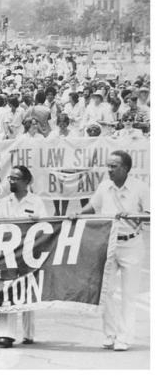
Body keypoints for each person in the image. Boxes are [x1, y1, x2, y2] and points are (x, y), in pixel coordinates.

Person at [78, 150, 149, 351]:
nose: (109, 169)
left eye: (114, 166)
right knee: (106, 292)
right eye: (108, 166)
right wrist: (76, 214)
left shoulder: (140, 188)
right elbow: (92, 206)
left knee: (129, 294)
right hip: (108, 243)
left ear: (125, 168)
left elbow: (151, 214)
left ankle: (124, 338)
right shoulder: (104, 186)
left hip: (132, 245)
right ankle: (110, 334)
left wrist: (133, 214)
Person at [0, 165, 47, 348]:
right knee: (8, 291)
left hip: (29, 252)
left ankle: (28, 333)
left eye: (15, 178)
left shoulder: (36, 202)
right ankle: (5, 335)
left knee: (28, 291)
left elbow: (46, 226)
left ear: (26, 182)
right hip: (9, 252)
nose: (11, 181)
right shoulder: (5, 202)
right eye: (10, 178)